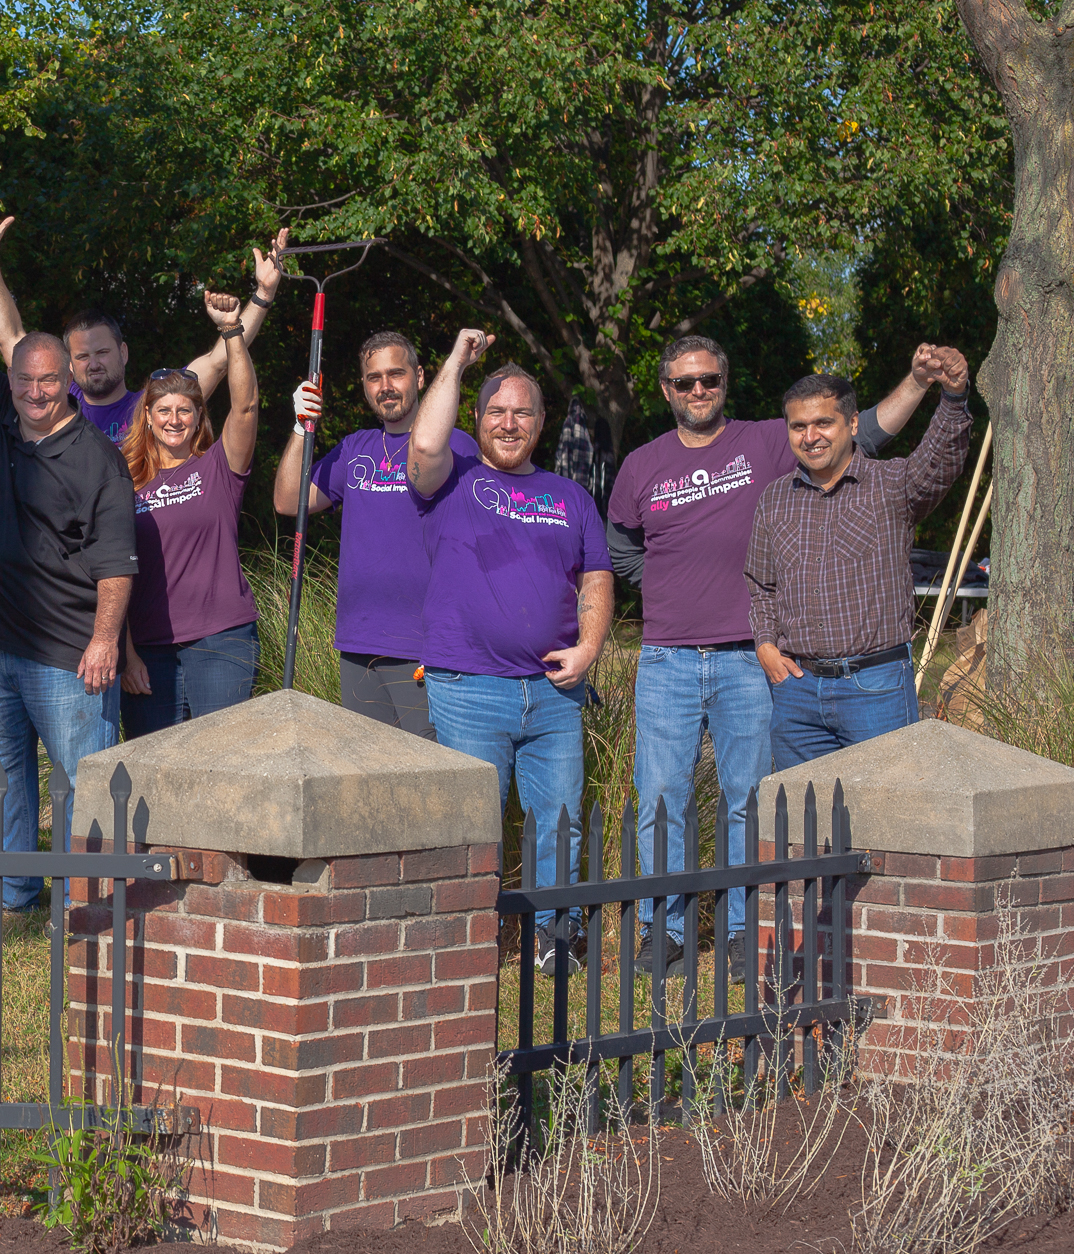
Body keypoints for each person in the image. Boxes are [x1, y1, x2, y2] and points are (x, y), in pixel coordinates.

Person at [608, 336, 942, 964]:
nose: (698, 391)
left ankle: (742, 928)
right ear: (666, 391)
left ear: (723, 383)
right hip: (666, 659)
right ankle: (665, 930)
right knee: (660, 797)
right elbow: (620, 544)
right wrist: (660, 583)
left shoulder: (767, 441)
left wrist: (919, 380)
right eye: (685, 383)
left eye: (709, 380)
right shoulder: (641, 464)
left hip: (750, 659)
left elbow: (864, 430)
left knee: (751, 800)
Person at [0, 249, 138, 915]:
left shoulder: (100, 461)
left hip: (68, 651)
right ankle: (7, 886)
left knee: (80, 778)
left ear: (67, 380)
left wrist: (104, 642)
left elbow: (117, 563)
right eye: (23, 383)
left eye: (46, 382)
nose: (34, 394)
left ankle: (85, 893)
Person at [408, 332, 612, 939]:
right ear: (476, 421)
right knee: (473, 822)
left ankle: (554, 936)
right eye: (496, 411)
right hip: (469, 687)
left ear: (541, 422)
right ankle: (468, 938)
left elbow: (597, 576)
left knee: (558, 820)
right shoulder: (452, 482)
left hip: (554, 692)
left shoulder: (570, 496)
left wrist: (591, 648)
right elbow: (423, 441)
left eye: (522, 411)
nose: (509, 421)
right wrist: (455, 362)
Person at [748, 357, 973, 769]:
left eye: (823, 423)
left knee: (889, 815)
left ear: (852, 424)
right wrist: (764, 644)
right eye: (798, 427)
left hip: (876, 687)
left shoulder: (892, 485)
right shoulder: (775, 499)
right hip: (798, 691)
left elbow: (941, 461)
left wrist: (953, 396)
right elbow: (761, 585)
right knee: (807, 821)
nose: (810, 436)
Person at [272, 332, 480, 740]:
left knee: (429, 773)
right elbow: (287, 500)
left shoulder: (454, 445)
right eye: (373, 377)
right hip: (358, 641)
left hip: (425, 646)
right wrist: (301, 427)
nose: (385, 386)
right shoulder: (356, 449)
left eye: (396, 373)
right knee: (373, 777)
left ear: (420, 377)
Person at [0, 190, 287, 444]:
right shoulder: (57, 404)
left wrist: (263, 294)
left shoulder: (152, 409)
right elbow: (8, 336)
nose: (94, 363)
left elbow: (218, 361)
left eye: (103, 352)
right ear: (68, 364)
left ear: (123, 353)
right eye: (82, 356)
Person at [120, 290, 262, 736]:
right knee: (154, 774)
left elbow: (246, 405)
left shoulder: (219, 467)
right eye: (163, 410)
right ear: (147, 416)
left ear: (200, 417)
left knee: (221, 766)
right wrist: (125, 652)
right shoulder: (123, 482)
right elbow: (106, 567)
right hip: (147, 649)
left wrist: (231, 332)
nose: (174, 419)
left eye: (185, 410)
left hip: (221, 640)